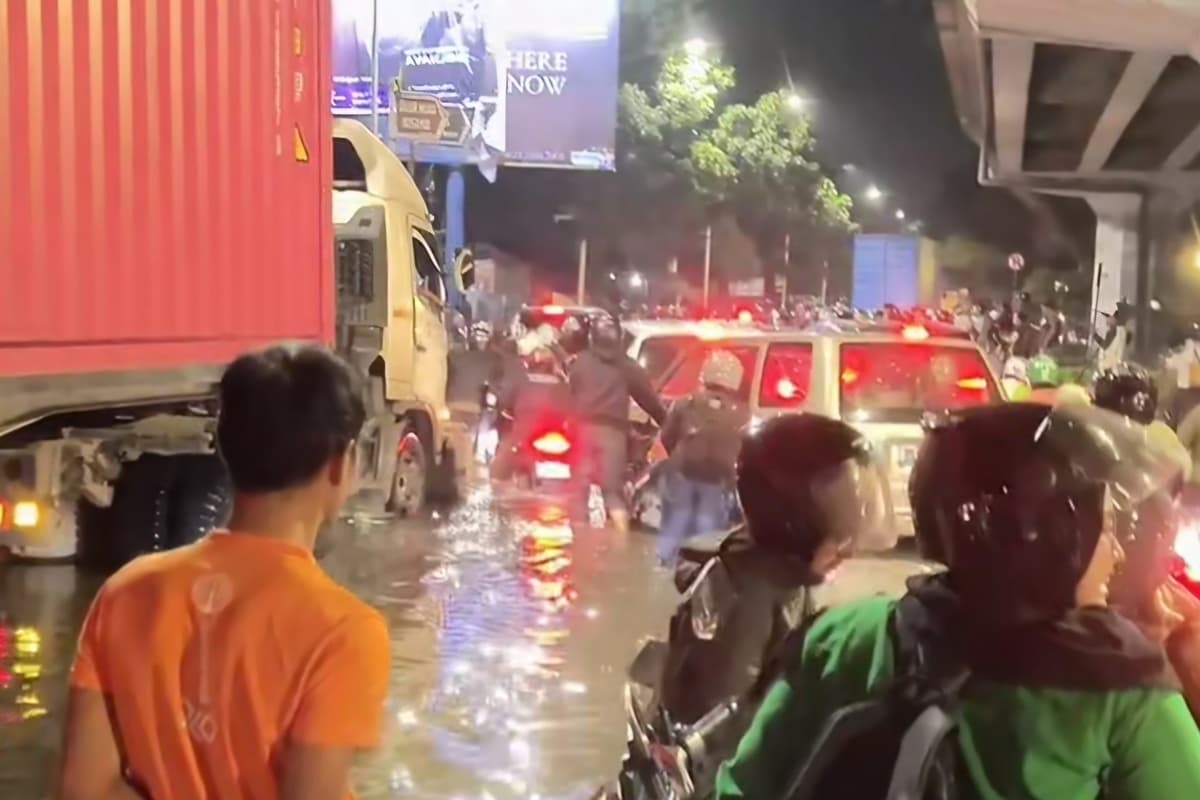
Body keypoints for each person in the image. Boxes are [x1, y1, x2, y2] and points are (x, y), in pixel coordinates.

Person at [715, 403, 1200, 800]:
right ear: (1052, 535)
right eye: (1105, 527)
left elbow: (743, 786)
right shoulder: (1121, 688)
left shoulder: (847, 636)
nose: (1115, 552)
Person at [59, 345, 390, 800]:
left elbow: (86, 789)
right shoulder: (343, 632)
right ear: (340, 464)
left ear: (223, 447)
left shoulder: (124, 591)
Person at [658, 415, 887, 792]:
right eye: (840, 515)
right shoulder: (746, 601)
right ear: (793, 519)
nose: (849, 542)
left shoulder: (783, 579)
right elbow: (722, 743)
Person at [567, 313, 666, 531]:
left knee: (578, 495)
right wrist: (666, 422)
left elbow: (571, 394)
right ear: (619, 337)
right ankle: (620, 548)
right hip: (613, 436)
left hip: (582, 433)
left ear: (592, 336)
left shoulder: (581, 362)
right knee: (613, 494)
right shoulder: (627, 366)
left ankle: (578, 551)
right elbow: (648, 400)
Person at [656, 350, 751, 566]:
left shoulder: (685, 403)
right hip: (718, 478)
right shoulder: (742, 413)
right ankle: (698, 569)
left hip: (682, 471)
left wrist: (678, 458)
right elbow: (744, 448)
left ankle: (665, 563)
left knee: (675, 523)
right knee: (707, 530)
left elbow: (667, 435)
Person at [490, 344, 571, 482]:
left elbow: (505, 401)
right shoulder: (563, 385)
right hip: (560, 438)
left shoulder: (520, 381)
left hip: (524, 435)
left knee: (498, 471)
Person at [1095, 300, 1133, 371]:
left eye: (1108, 317)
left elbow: (1105, 346)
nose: (1106, 320)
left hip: (1108, 366)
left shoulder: (1114, 331)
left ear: (1115, 319)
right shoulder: (1124, 332)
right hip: (1114, 366)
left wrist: (1094, 335)